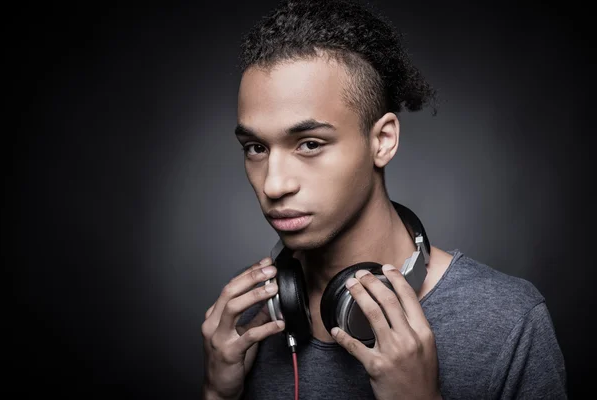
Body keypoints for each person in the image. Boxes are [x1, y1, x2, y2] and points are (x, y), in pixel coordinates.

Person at [200, 0, 567, 398]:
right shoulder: (247, 324)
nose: (273, 184)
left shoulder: (507, 320)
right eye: (256, 148)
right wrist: (217, 393)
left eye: (309, 143)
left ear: (382, 140)